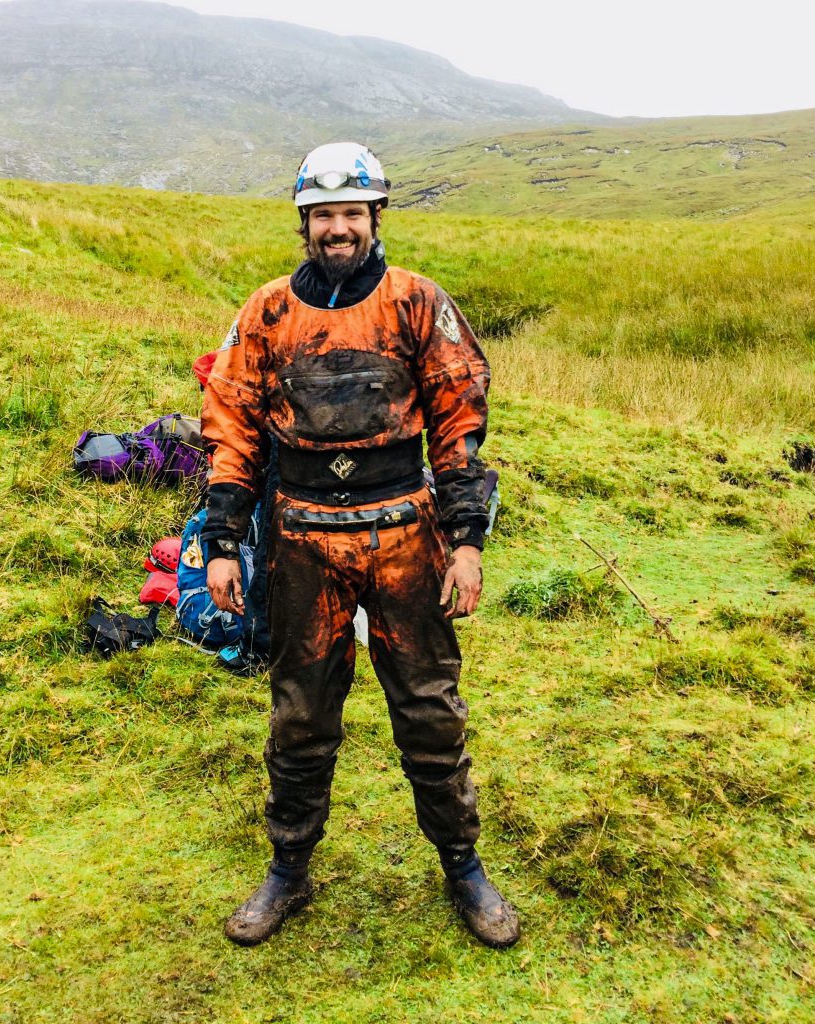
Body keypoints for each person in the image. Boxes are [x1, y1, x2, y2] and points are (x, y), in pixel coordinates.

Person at [199, 142, 518, 949]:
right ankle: (288, 871)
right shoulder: (266, 312)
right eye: (323, 216)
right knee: (300, 715)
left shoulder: (419, 303)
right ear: (304, 222)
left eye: (351, 213)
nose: (337, 229)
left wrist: (467, 542)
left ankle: (463, 867)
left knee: (429, 710)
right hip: (302, 538)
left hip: (405, 535)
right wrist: (224, 544)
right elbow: (231, 425)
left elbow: (459, 424)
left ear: (375, 216)